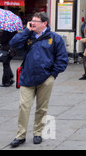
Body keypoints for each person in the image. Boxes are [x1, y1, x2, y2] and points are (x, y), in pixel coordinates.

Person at [9, 12, 68, 147]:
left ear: (44, 24)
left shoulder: (54, 38)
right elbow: (13, 43)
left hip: (46, 78)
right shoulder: (27, 35)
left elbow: (62, 58)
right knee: (24, 106)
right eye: (32, 20)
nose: (32, 23)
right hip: (27, 76)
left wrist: (52, 75)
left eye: (36, 21)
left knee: (42, 108)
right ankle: (20, 135)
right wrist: (26, 30)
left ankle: (37, 133)